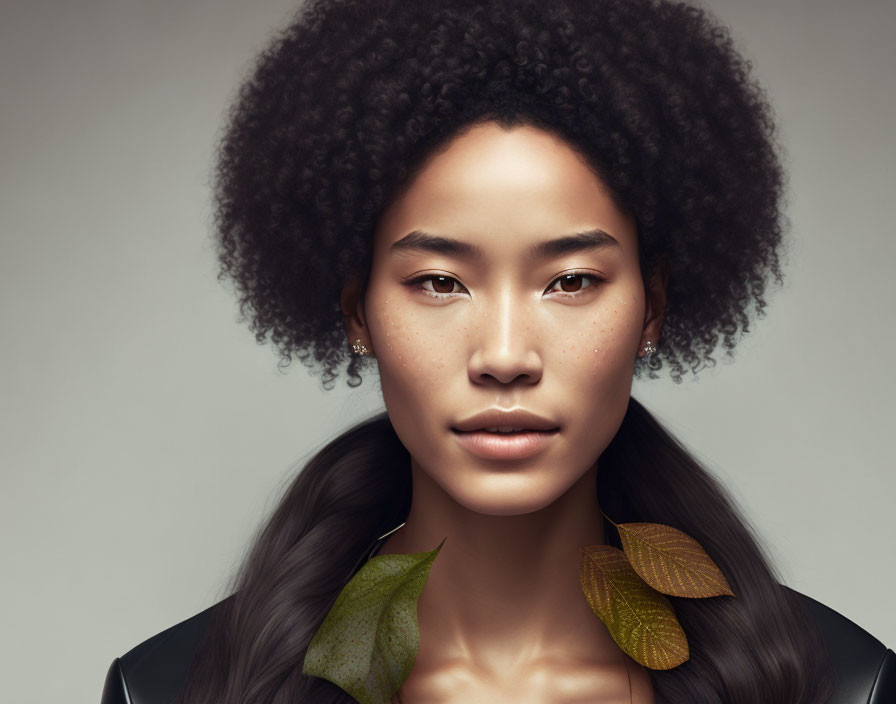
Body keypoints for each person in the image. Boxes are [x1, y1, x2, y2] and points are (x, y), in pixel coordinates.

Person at [100, 0, 895, 702]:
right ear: (358, 313)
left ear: (651, 308)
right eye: (441, 282)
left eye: (572, 280)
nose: (506, 354)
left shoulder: (840, 685)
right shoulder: (169, 689)